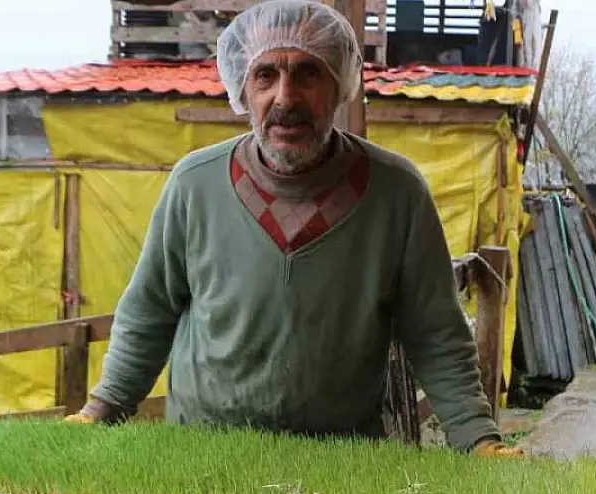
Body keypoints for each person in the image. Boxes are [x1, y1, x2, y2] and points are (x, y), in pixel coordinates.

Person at [66, 0, 522, 458]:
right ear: (242, 90)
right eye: (266, 75)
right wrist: (104, 407)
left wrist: (478, 438)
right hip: (202, 454)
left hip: (340, 462)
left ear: (340, 85)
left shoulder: (397, 194)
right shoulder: (194, 185)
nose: (285, 98)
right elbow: (149, 312)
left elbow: (437, 334)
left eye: (308, 74)